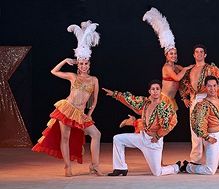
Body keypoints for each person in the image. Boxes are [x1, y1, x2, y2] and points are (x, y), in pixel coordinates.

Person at [32, 20, 103, 177]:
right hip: (67, 109)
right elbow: (53, 71)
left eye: (86, 64)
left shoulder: (94, 80)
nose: (84, 66)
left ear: (89, 65)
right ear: (78, 64)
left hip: (81, 113)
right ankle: (67, 167)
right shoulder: (73, 76)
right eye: (81, 63)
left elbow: (94, 100)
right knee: (65, 137)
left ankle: (95, 165)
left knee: (96, 134)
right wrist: (65, 60)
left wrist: (89, 114)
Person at [119, 8, 193, 131]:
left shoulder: (176, 67)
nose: (173, 55)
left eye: (175, 53)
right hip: (163, 98)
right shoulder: (167, 67)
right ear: (166, 55)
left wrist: (191, 70)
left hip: (170, 100)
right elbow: (177, 78)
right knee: (158, 121)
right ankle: (133, 123)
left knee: (159, 121)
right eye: (171, 54)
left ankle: (134, 123)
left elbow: (185, 75)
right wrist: (185, 69)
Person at [102, 80, 180, 176]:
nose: (155, 91)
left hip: (153, 142)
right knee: (118, 139)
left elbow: (171, 123)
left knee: (157, 172)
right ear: (149, 91)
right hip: (142, 138)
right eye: (153, 89)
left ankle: (176, 167)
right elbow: (132, 101)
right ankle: (120, 168)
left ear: (160, 91)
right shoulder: (146, 103)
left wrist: (158, 135)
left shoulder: (164, 106)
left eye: (157, 89)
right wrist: (115, 94)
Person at [179, 44, 219, 168]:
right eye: (196, 52)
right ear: (194, 55)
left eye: (201, 52)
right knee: (195, 129)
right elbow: (182, 84)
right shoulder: (189, 70)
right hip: (195, 99)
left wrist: (218, 95)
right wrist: (184, 98)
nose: (199, 54)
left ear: (205, 54)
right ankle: (195, 158)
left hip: (209, 98)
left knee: (214, 128)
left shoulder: (211, 68)